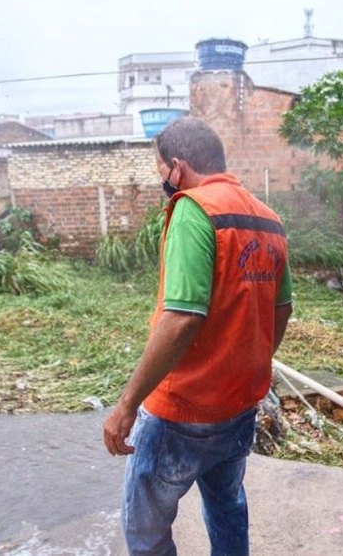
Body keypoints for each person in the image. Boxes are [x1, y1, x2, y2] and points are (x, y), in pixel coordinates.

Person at [102, 116, 293, 555]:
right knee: (227, 508)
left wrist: (126, 405)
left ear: (177, 167)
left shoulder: (193, 208)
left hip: (181, 413)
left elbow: (182, 317)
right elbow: (282, 309)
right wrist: (247, 368)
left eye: (160, 171)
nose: (162, 181)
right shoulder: (268, 220)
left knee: (145, 528)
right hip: (240, 406)